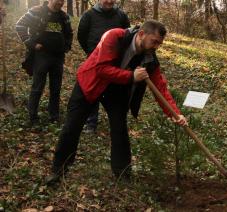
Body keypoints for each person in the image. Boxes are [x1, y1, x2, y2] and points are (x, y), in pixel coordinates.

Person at [46, 20, 188, 185]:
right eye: (154, 42)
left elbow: (160, 87)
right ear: (141, 34)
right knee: (72, 126)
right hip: (91, 83)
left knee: (120, 128)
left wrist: (175, 113)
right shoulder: (114, 36)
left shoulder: (149, 57)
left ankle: (123, 174)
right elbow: (101, 69)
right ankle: (58, 170)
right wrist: (131, 77)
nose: (156, 47)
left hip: (116, 90)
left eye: (159, 44)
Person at [15, 0, 73, 126]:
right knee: (37, 87)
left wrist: (67, 46)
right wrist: (32, 44)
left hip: (58, 57)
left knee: (56, 88)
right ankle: (33, 117)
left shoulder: (64, 17)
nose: (60, 3)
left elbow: (69, 33)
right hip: (41, 56)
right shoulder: (37, 12)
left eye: (62, 1)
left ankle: (54, 116)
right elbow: (20, 26)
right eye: (57, 0)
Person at [77, 0, 130, 134]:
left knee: (114, 92)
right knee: (93, 90)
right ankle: (91, 122)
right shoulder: (88, 15)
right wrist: (92, 53)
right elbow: (81, 36)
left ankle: (116, 124)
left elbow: (127, 36)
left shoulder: (121, 16)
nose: (109, 1)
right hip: (94, 60)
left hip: (115, 62)